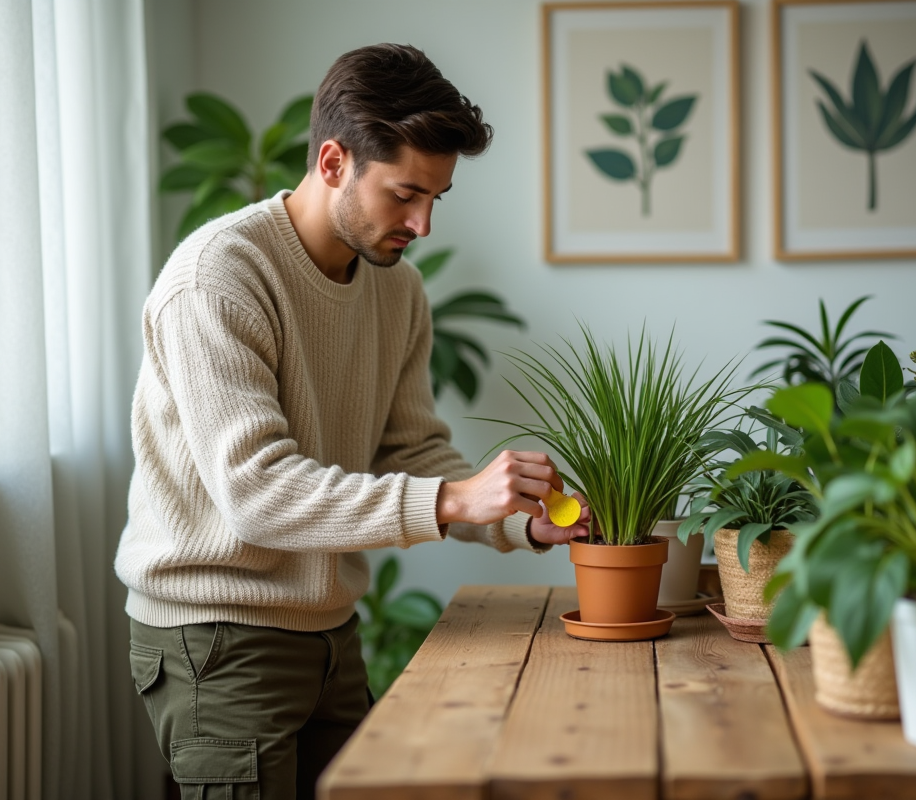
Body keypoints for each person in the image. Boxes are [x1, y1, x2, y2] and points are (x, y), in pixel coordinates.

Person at [115, 43, 588, 800]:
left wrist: (513, 522)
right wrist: (454, 502)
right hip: (217, 640)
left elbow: (412, 450)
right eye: (405, 194)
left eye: (437, 198)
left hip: (332, 632)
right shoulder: (217, 278)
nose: (423, 224)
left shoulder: (397, 292)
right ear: (334, 161)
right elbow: (257, 492)